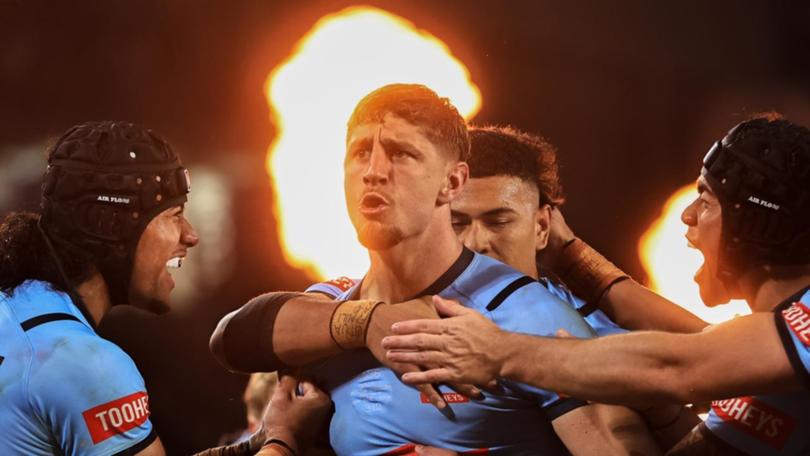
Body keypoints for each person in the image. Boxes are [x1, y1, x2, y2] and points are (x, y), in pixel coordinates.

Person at [211, 84, 660, 454]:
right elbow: (230, 340)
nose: (374, 171)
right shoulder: (330, 313)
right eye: (360, 153)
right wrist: (365, 324)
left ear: (453, 182)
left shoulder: (532, 317)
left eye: (401, 154)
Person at [383, 115, 810, 455]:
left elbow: (679, 366)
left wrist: (498, 353)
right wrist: (572, 255)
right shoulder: (773, 370)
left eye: (706, 199)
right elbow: (705, 346)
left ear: (755, 223)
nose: (688, 216)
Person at [0, 121, 328, 456]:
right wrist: (285, 438)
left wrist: (251, 447)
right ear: (110, 227)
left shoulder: (18, 311)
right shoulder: (85, 363)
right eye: (174, 215)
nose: (191, 235)